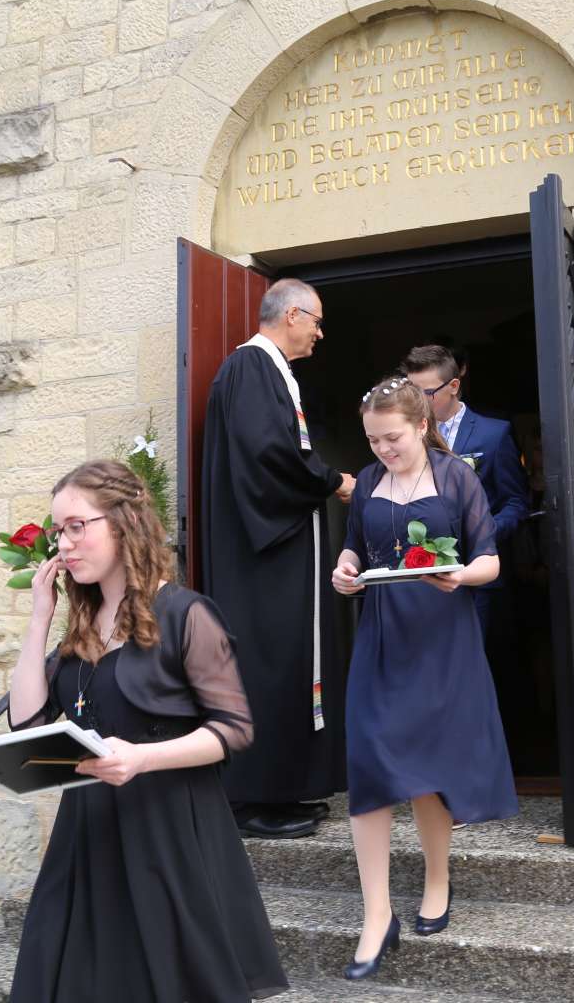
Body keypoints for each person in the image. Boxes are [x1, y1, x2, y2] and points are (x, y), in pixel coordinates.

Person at [6, 460, 287, 1003]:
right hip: (87, 835)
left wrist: (141, 758)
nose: (63, 544)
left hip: (169, 831)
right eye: (57, 530)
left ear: (123, 521)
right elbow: (29, 721)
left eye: (76, 526)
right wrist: (41, 616)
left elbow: (233, 729)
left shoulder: (185, 614)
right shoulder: (82, 627)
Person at [330, 377, 518, 981]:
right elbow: (356, 549)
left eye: (392, 437)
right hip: (382, 635)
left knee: (431, 762)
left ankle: (437, 878)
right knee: (371, 758)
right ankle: (375, 912)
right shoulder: (367, 484)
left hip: (443, 635)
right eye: (373, 440)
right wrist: (345, 568)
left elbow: (488, 558)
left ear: (418, 426)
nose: (382, 449)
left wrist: (459, 577)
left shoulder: (456, 475)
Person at [200, 277, 354, 839]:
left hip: (280, 552)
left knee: (287, 662)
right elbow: (268, 455)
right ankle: (251, 800)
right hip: (261, 559)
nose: (319, 332)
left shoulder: (269, 372)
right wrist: (332, 480)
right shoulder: (249, 368)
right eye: (315, 321)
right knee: (267, 663)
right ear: (292, 315)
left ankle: (283, 790)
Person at [400, 344, 528, 637]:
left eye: (426, 393)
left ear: (454, 386)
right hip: (417, 572)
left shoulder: (494, 434)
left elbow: (515, 501)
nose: (417, 402)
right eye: (411, 392)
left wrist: (486, 533)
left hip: (475, 574)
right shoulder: (401, 437)